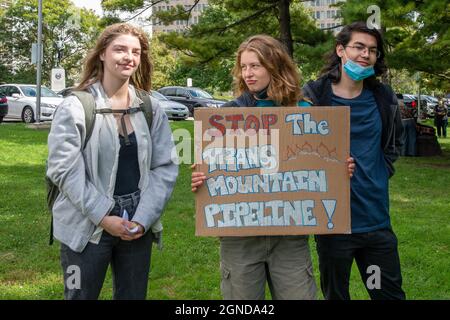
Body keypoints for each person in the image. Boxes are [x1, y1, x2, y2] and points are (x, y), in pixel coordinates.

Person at [191, 34, 355, 300]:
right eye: (243, 67)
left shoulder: (304, 110)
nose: (248, 74)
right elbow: (213, 167)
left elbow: (321, 162)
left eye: (255, 66)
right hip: (240, 236)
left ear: (275, 65)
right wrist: (202, 180)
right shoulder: (229, 115)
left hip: (289, 235)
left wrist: (339, 170)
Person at [46, 23, 178, 300]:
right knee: (78, 294)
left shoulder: (150, 108)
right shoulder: (75, 107)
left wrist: (142, 219)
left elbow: (164, 167)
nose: (128, 57)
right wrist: (103, 217)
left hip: (136, 222)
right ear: (102, 54)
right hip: (84, 222)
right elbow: (64, 171)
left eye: (136, 52)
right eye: (120, 49)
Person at [302, 21, 406, 300]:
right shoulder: (314, 96)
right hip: (333, 222)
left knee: (387, 294)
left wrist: (380, 172)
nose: (365, 54)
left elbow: (393, 143)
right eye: (358, 47)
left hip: (375, 221)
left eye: (372, 50)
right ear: (340, 50)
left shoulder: (383, 97)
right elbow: (297, 148)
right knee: (336, 295)